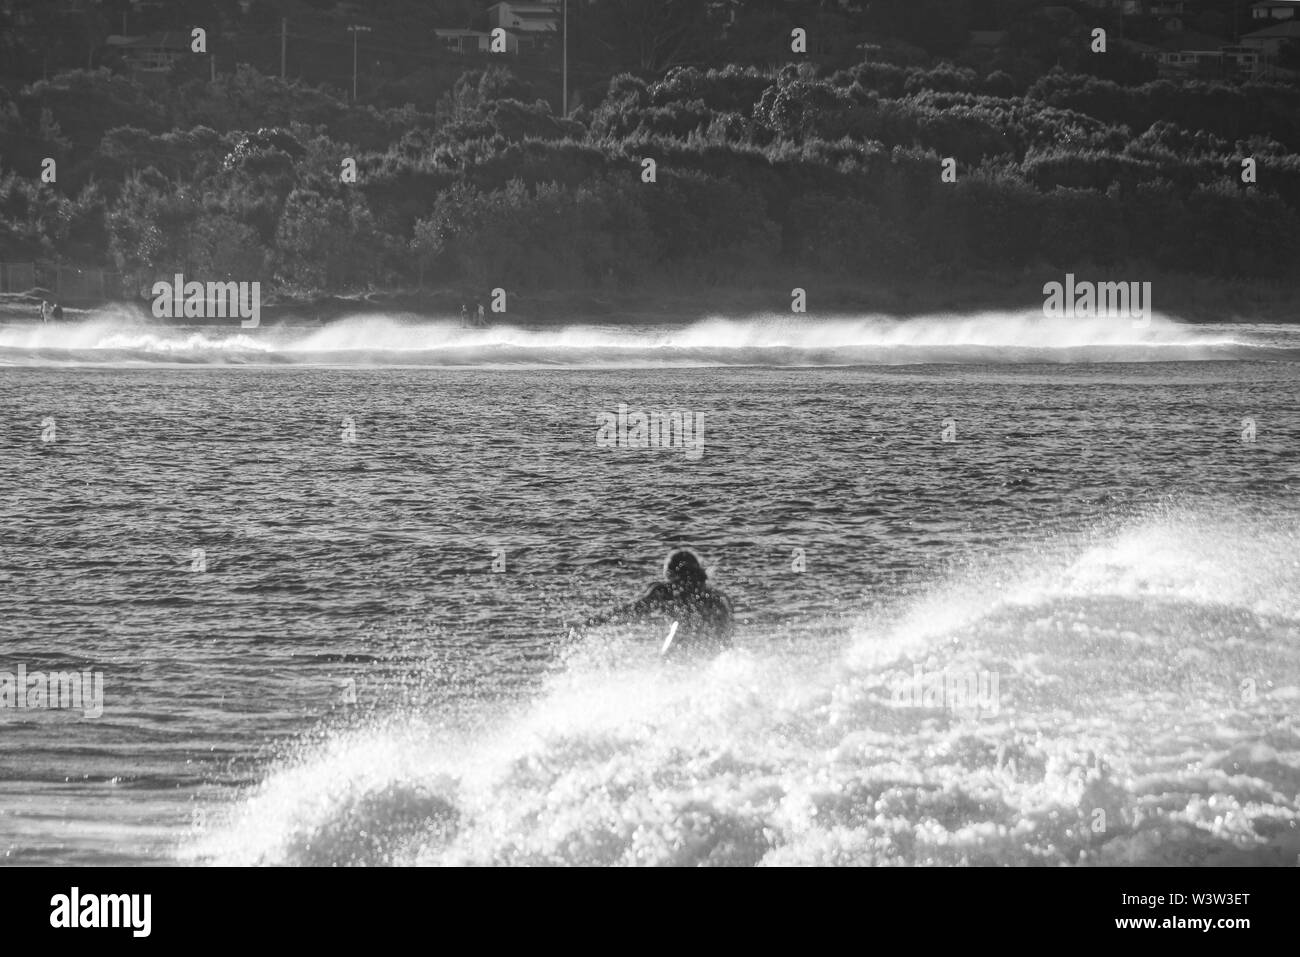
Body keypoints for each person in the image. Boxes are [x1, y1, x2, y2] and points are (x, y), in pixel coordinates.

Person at [576, 549, 733, 658]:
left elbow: (633, 612)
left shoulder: (668, 591)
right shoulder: (720, 597)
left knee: (674, 647)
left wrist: (595, 622)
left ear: (670, 573)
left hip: (689, 645)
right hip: (719, 649)